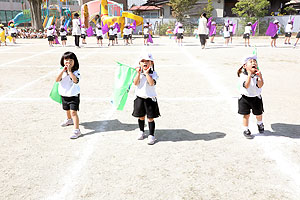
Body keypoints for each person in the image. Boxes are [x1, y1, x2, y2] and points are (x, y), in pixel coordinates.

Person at [133, 52, 160, 145]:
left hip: (150, 98)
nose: (145, 63)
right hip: (139, 97)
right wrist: (138, 73)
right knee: (141, 116)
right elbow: (135, 83)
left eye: (148, 61)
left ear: (151, 63)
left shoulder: (154, 73)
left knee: (150, 118)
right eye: (143, 61)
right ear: (139, 63)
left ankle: (151, 135)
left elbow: (151, 83)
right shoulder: (137, 73)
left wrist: (147, 74)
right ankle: (141, 131)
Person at [237, 55, 264, 139]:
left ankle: (260, 123)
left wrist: (260, 76)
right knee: (246, 115)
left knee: (258, 114)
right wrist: (249, 75)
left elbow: (260, 85)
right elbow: (247, 85)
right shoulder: (243, 76)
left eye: (255, 62)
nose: (254, 63)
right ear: (245, 66)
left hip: (256, 98)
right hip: (245, 98)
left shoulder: (257, 74)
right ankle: (246, 129)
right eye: (251, 62)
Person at [55, 52, 81, 139]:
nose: (68, 62)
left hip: (73, 95)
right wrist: (63, 70)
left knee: (73, 112)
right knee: (67, 109)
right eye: (66, 60)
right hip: (64, 94)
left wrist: (69, 71)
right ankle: (69, 120)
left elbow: (75, 81)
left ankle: (77, 130)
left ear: (74, 62)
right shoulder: (61, 71)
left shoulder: (76, 72)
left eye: (71, 60)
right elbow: (57, 80)